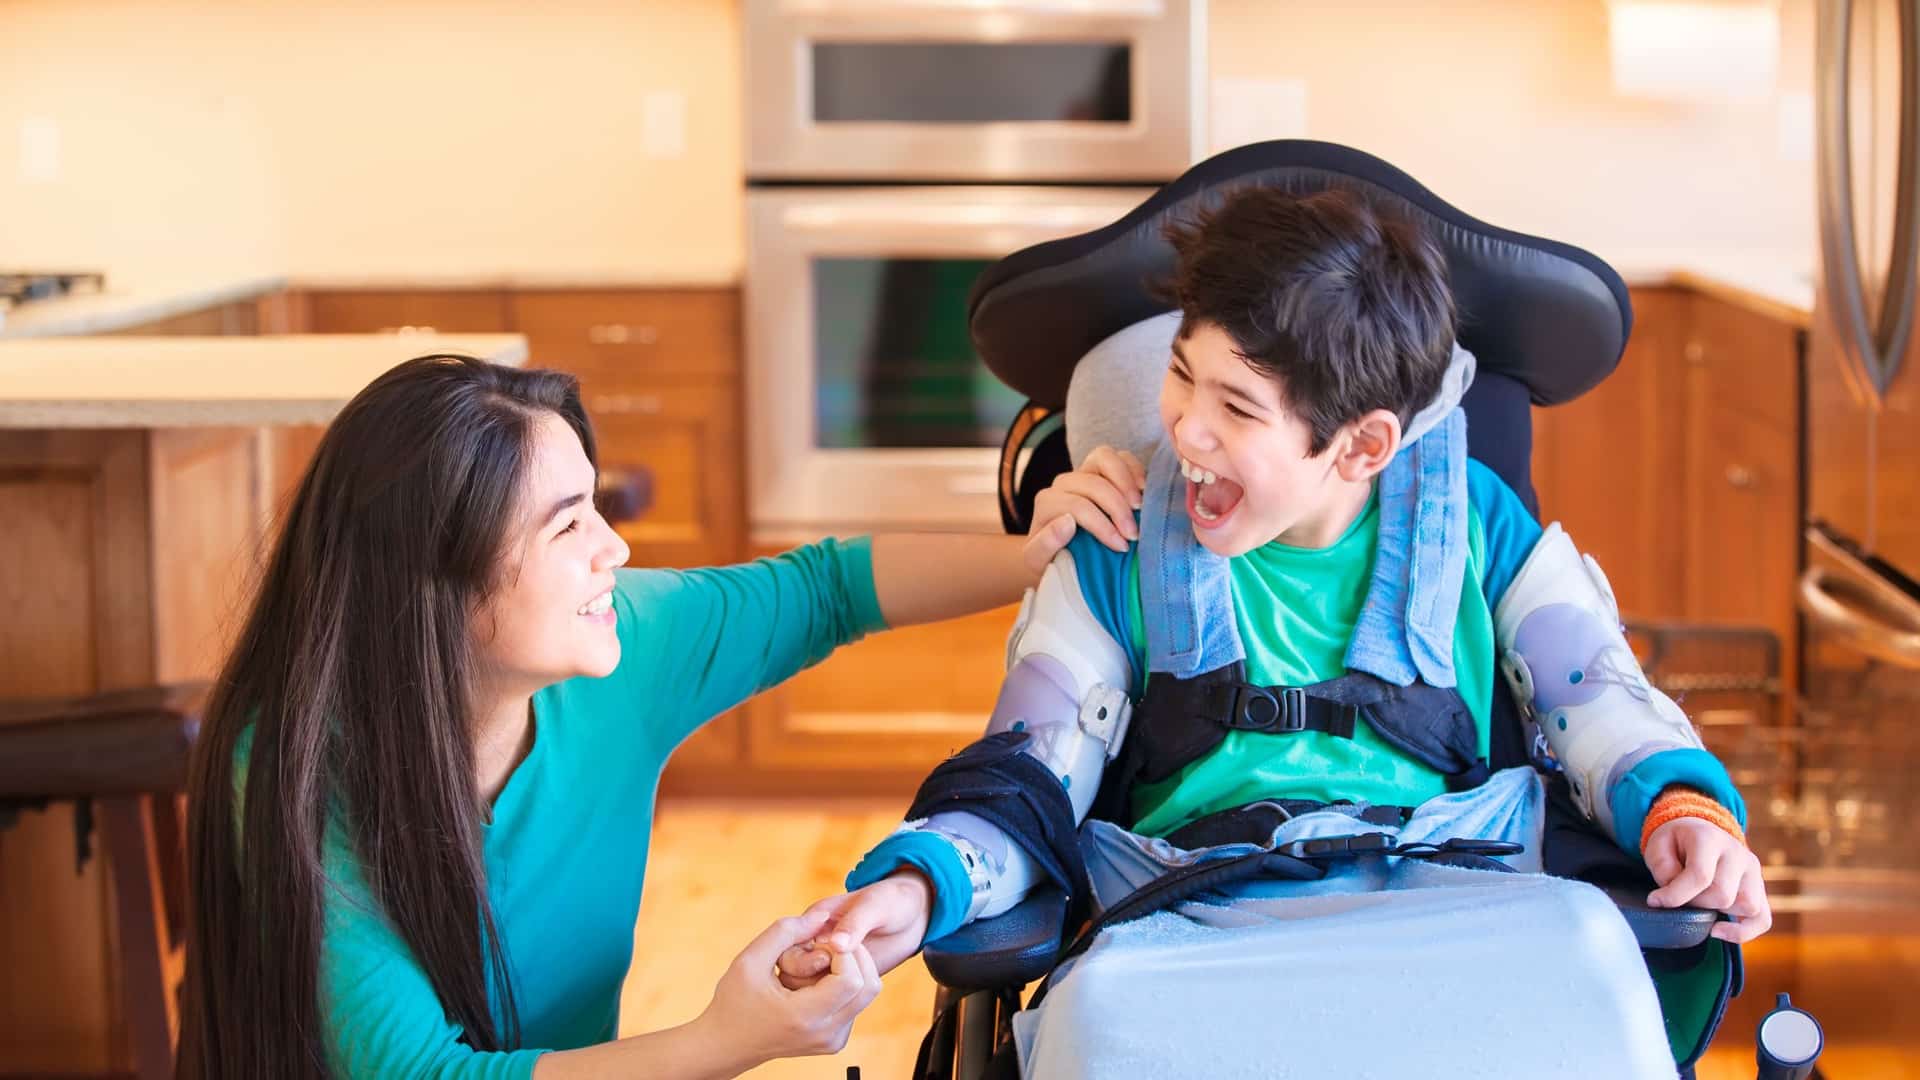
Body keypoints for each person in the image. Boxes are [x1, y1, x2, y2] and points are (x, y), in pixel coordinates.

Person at [779, 187, 1771, 1074]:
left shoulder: (1475, 525)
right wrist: (917, 885)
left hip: (1462, 912)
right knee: (1104, 1016)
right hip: (1193, 930)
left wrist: (1683, 810)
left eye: (1237, 407)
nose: (1185, 430)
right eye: (1181, 376)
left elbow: (1600, 701)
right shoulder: (1121, 537)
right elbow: (1026, 770)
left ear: (1364, 444)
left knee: (1595, 972)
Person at [176, 353, 1075, 1079]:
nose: (617, 546)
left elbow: (829, 588)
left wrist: (1039, 559)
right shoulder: (298, 766)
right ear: (432, 584)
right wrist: (731, 1038)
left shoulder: (621, 649)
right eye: (568, 528)